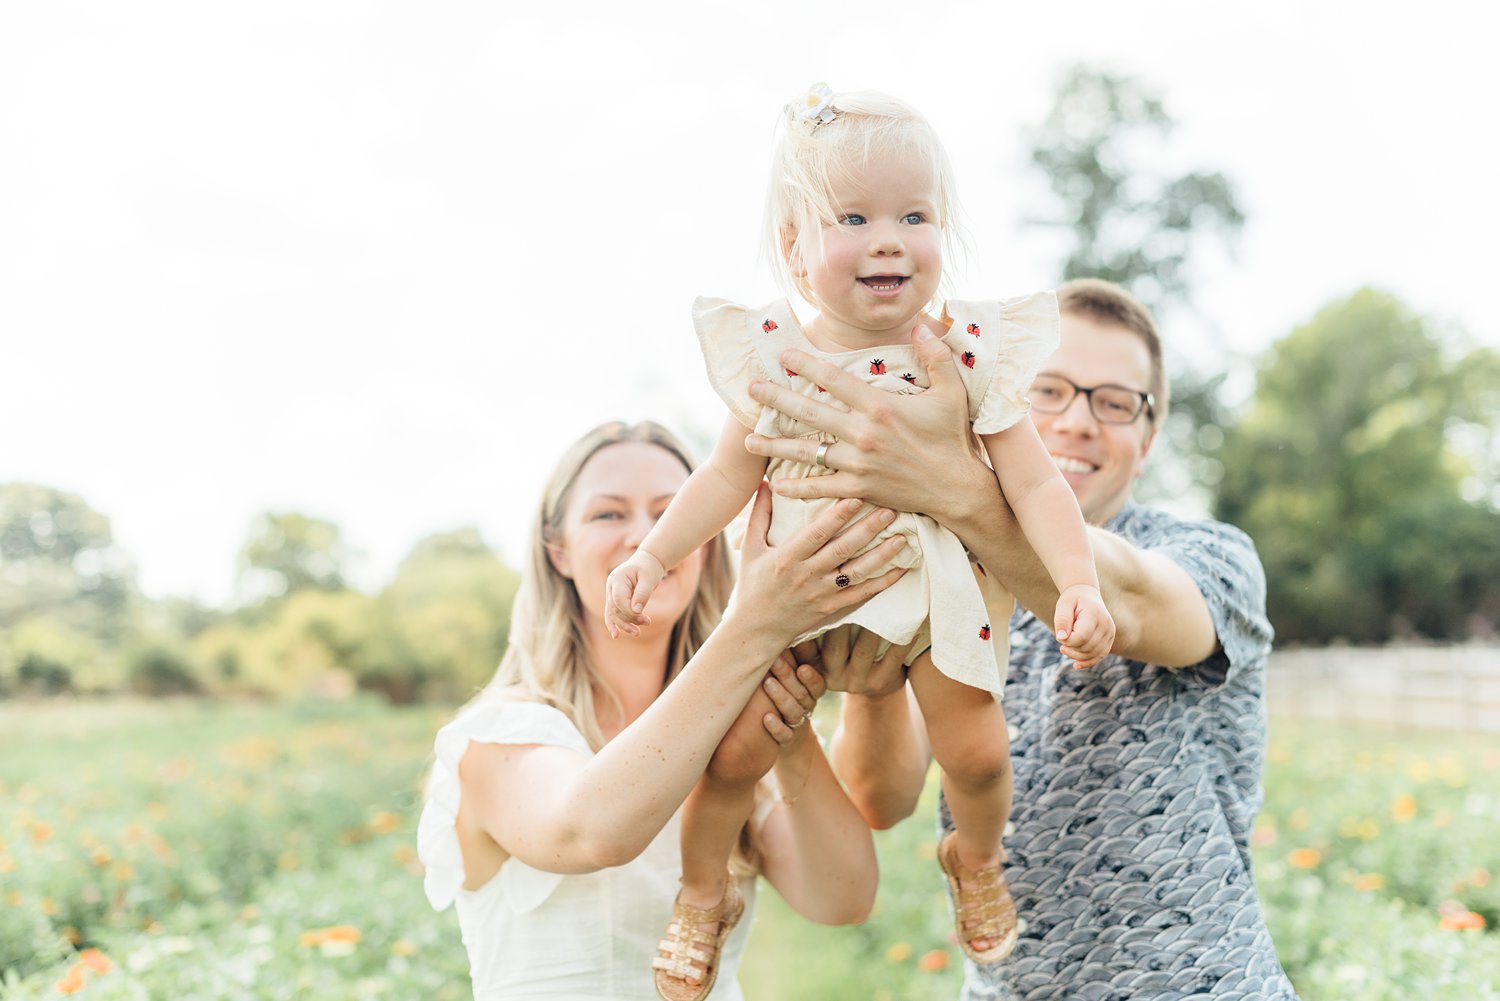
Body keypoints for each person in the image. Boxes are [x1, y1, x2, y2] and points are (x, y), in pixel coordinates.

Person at [603, 84, 1114, 992]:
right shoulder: (771, 360)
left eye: (915, 215)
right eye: (854, 216)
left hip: (927, 606)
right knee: (729, 761)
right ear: (797, 249)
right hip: (795, 600)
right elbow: (726, 477)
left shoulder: (962, 354)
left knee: (980, 751)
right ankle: (701, 889)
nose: (889, 237)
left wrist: (1077, 581)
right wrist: (655, 553)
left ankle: (977, 860)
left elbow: (1033, 479)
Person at [744, 279, 1301, 999]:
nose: (1077, 421)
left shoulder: (1212, 556)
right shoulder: (942, 572)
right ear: (993, 396)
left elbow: (1124, 602)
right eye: (1048, 389)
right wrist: (877, 679)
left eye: (1114, 401)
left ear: (1148, 435)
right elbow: (882, 798)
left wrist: (947, 486)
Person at [416, 420, 901, 1001]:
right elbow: (597, 833)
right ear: (559, 552)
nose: (644, 537)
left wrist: (787, 734)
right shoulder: (499, 736)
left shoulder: (736, 734)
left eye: (671, 513)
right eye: (608, 515)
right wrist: (754, 627)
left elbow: (842, 898)